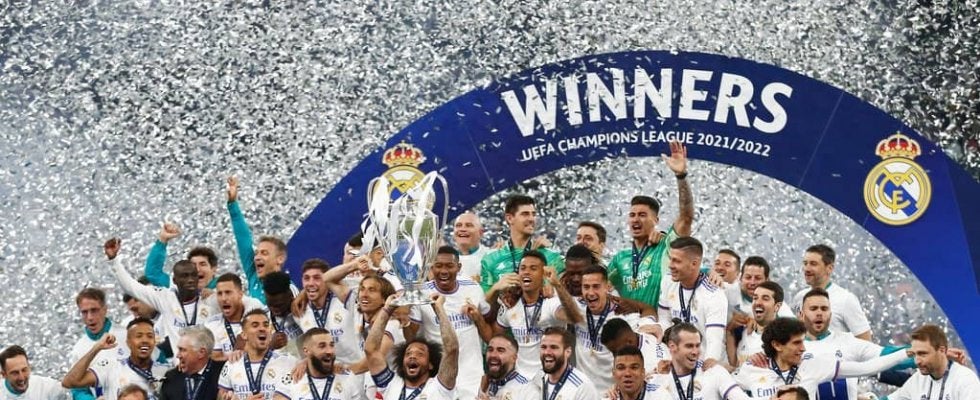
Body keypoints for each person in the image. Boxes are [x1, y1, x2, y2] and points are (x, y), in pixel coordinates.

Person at [607, 140, 694, 307]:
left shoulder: (667, 246)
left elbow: (686, 218)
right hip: (628, 322)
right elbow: (598, 283)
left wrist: (681, 176)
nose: (635, 219)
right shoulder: (620, 258)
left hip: (661, 320)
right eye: (632, 215)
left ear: (656, 221)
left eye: (642, 215)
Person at [733, 318, 909, 398]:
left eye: (803, 342)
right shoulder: (752, 369)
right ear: (777, 345)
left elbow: (867, 368)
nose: (803, 348)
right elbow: (723, 387)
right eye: (796, 343)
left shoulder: (814, 366)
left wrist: (906, 353)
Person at [800, 288, 916, 400]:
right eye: (813, 309)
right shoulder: (794, 349)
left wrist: (919, 352)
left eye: (824, 309)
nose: (819, 313)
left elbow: (885, 356)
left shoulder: (847, 342)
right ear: (801, 315)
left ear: (830, 315)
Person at [408, 246, 489, 399]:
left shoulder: (473, 288)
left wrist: (478, 318)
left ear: (459, 267)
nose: (444, 271)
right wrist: (404, 317)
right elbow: (410, 337)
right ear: (431, 267)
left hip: (471, 375)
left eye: (449, 266)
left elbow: (488, 335)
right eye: (438, 266)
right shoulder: (421, 293)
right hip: (439, 376)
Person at [106, 238, 207, 356]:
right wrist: (113, 261)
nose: (190, 280)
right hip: (180, 365)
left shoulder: (211, 300)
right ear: (174, 280)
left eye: (193, 275)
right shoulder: (166, 298)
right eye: (184, 276)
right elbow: (130, 286)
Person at [490, 251, 579, 376]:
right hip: (520, 378)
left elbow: (573, 318)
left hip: (551, 377)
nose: (526, 272)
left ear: (543, 274)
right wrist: (478, 318)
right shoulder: (511, 303)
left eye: (533, 268)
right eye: (523, 268)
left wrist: (557, 285)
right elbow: (494, 335)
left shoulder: (552, 301)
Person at [553, 265, 639, 390]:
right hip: (583, 392)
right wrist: (554, 286)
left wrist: (654, 326)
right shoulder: (577, 309)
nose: (590, 293)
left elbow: (644, 337)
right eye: (586, 287)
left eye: (596, 286)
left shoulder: (623, 317)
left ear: (607, 287)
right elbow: (558, 303)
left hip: (611, 392)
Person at [365, 293, 459, 400]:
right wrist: (387, 309)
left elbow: (451, 349)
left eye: (420, 354)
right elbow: (371, 350)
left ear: (430, 365)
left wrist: (439, 309)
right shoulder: (389, 383)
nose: (412, 356)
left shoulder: (440, 387)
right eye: (408, 353)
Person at [62, 318, 169, 400]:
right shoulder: (111, 367)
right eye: (139, 336)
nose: (144, 340)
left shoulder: (166, 372)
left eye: (150, 336)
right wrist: (96, 348)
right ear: (128, 342)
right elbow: (69, 382)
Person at [658, 237, 727, 361]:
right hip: (675, 358)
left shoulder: (714, 294)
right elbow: (664, 319)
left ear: (694, 264)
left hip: (702, 360)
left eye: (676, 261)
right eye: (670, 259)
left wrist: (708, 364)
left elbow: (714, 341)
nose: (670, 265)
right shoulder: (668, 281)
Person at [227, 176, 292, 303]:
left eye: (264, 253)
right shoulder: (254, 277)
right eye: (256, 253)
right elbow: (243, 238)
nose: (257, 257)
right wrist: (232, 203)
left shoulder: (289, 289)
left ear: (280, 259)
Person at [480, 194, 564, 293]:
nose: (531, 219)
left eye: (533, 214)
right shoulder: (491, 258)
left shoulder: (552, 257)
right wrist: (496, 288)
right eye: (525, 214)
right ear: (510, 218)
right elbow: (484, 301)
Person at [648, 323, 751, 400]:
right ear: (672, 347)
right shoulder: (658, 379)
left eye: (697, 346)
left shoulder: (714, 372)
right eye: (689, 346)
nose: (695, 352)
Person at [790, 245, 871, 341]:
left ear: (829, 268)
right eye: (805, 263)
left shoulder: (845, 299)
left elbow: (865, 341)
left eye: (813, 264)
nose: (806, 269)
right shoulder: (799, 297)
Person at [883, 324, 980, 400]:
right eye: (914, 355)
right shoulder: (917, 380)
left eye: (922, 354)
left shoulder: (965, 380)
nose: (917, 361)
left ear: (942, 351)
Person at [217, 309, 298, 399]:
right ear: (244, 335)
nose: (262, 328)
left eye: (266, 325)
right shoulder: (232, 364)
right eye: (255, 325)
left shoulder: (287, 362)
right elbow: (220, 396)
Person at [291, 259, 359, 364]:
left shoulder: (345, 300)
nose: (310, 283)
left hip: (356, 369)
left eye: (317, 278)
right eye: (306, 278)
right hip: (326, 371)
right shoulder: (300, 310)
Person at [69, 288, 130, 400]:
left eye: (94, 310)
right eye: (84, 312)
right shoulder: (79, 349)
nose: (90, 317)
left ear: (105, 310)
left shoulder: (127, 335)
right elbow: (78, 390)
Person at [273, 328, 355, 400]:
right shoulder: (293, 377)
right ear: (306, 351)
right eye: (322, 346)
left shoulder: (347, 378)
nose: (329, 351)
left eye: (331, 345)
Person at [144, 222, 221, 290]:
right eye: (193, 265)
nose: (197, 269)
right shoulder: (179, 288)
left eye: (202, 264)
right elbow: (153, 274)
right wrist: (162, 240)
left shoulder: (224, 286)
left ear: (213, 269)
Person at [727, 281, 785, 367]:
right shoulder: (746, 330)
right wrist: (729, 331)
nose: (758, 302)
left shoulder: (783, 339)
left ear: (777, 306)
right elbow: (735, 365)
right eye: (755, 298)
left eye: (765, 299)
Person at [159, 326, 224, 400]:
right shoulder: (171, 377)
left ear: (201, 353)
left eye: (182, 350)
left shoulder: (222, 375)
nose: (178, 355)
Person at [531, 327, 598, 399]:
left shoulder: (583, 388)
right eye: (543, 347)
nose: (547, 352)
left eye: (554, 347)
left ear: (568, 352)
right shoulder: (539, 378)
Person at [203, 274, 250, 360]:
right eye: (219, 293)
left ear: (240, 294)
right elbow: (215, 358)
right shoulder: (211, 325)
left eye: (228, 292)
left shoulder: (255, 320)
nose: (223, 298)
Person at [599, 319, 669, 376]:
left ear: (629, 342)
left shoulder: (649, 366)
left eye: (615, 351)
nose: (615, 356)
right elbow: (647, 313)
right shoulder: (645, 327)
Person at [601, 346, 670, 400]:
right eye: (621, 368)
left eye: (634, 367)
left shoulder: (661, 396)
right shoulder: (609, 398)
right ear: (614, 374)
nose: (627, 373)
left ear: (643, 372)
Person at [0, 345, 67, 400]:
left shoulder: (47, 388)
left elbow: (68, 391)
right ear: (4, 375)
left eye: (24, 370)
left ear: (29, 367)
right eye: (15, 373)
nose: (21, 377)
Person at [478, 335, 532, 400]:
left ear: (514, 358)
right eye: (490, 350)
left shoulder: (527, 389)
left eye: (500, 350)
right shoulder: (482, 384)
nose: (493, 355)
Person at [262, 272, 304, 354]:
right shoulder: (262, 316)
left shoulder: (305, 305)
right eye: (270, 304)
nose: (274, 309)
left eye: (279, 305)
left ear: (290, 295)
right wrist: (269, 346)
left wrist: (304, 293)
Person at [453, 212, 491, 282]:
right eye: (458, 225)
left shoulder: (491, 257)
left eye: (469, 225)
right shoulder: (446, 259)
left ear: (481, 233)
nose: (462, 229)